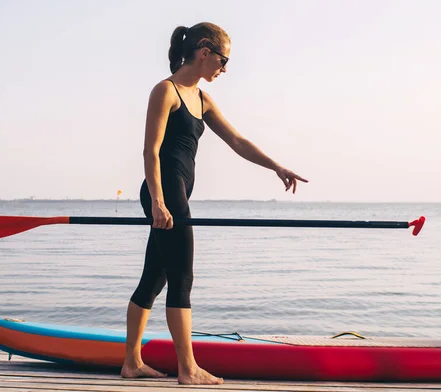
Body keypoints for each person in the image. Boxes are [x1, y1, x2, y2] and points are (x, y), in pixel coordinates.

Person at [121, 22, 308, 385]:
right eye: (223, 60)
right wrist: (159, 202)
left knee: (154, 279)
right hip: (165, 193)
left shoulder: (202, 99)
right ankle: (188, 370)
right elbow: (151, 151)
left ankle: (131, 363)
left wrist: (276, 167)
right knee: (182, 278)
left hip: (175, 195)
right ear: (204, 51)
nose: (225, 69)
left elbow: (237, 141)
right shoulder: (167, 90)